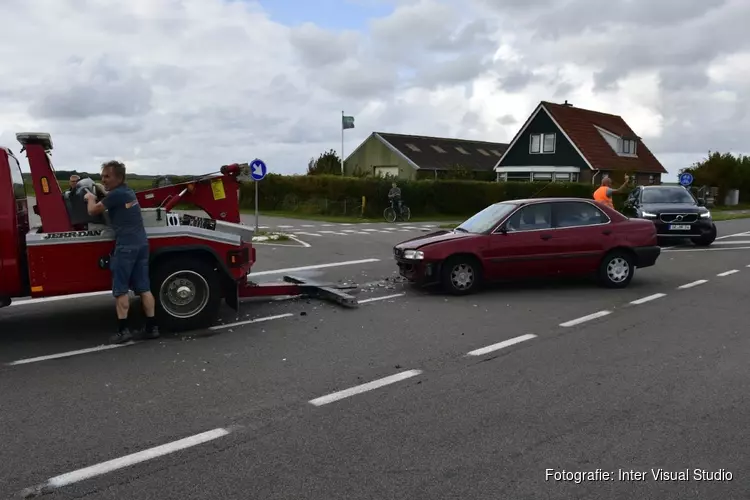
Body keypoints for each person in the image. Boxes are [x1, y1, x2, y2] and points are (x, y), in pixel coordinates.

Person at [84, 160, 159, 344]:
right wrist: (102, 190)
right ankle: (151, 327)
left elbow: (93, 211)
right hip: (141, 244)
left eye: (107, 176)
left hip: (126, 246)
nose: (103, 179)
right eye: (102, 176)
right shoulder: (128, 192)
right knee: (144, 288)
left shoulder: (116, 195)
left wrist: (90, 198)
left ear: (119, 177)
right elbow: (110, 195)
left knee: (121, 289)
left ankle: (123, 331)